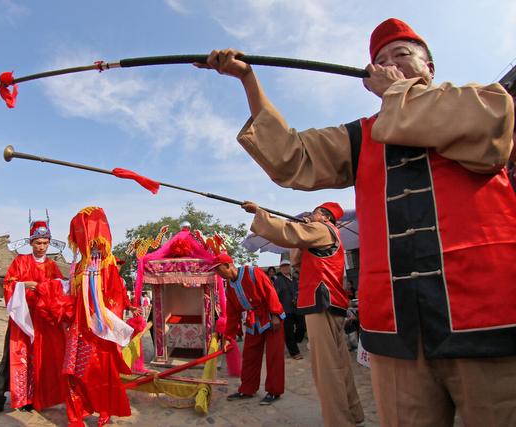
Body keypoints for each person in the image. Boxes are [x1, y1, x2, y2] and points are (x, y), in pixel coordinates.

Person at [200, 17, 516, 426]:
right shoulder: (363, 136)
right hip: (397, 331)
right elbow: (291, 156)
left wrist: (397, 90)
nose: (390, 65)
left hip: (488, 317)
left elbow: (491, 138)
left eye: (402, 56)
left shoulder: (483, 101)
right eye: (380, 61)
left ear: (430, 68)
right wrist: (248, 81)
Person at [243, 201, 363, 426]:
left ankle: (338, 421)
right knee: (340, 364)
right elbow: (297, 259)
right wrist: (300, 230)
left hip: (321, 303)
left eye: (315, 212)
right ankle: (353, 414)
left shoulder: (322, 229)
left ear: (325, 217)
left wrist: (261, 213)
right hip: (331, 304)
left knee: (326, 368)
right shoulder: (324, 234)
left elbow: (288, 233)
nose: (310, 215)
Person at [39, 206, 133, 427]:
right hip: (78, 329)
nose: (89, 244)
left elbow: (115, 299)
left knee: (100, 372)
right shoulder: (79, 267)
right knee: (72, 373)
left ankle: (104, 410)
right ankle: (75, 415)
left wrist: (103, 323)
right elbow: (73, 296)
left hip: (99, 331)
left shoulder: (108, 266)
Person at [0, 215, 67, 418]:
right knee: (10, 356)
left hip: (42, 320)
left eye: (45, 243)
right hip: (21, 318)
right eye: (38, 243)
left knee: (38, 358)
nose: (42, 247)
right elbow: (9, 283)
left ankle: (30, 398)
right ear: (31, 242)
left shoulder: (52, 267)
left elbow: (60, 289)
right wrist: (24, 285)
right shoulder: (21, 261)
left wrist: (48, 288)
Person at [211, 253, 285, 405]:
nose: (217, 274)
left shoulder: (252, 272)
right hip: (253, 320)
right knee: (250, 355)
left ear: (228, 265)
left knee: (273, 356)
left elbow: (270, 291)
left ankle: (274, 391)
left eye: (218, 270)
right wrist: (228, 338)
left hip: (270, 316)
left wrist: (276, 314)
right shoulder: (229, 288)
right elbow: (233, 315)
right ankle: (247, 389)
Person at [272, 259, 305, 360]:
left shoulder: (295, 279)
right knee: (288, 331)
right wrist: (276, 311)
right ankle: (294, 352)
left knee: (302, 327)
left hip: (297, 308)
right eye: (283, 266)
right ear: (280, 268)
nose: (286, 268)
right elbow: (275, 296)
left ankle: (292, 342)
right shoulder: (278, 281)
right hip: (285, 310)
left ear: (290, 267)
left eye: (287, 266)